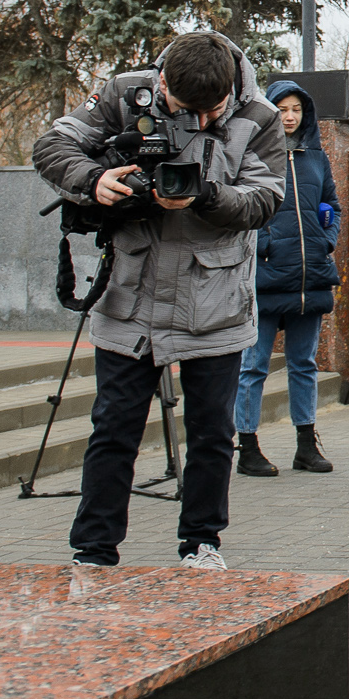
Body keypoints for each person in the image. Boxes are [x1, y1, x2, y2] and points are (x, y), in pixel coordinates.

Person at [32, 32, 286, 570]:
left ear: (228, 93)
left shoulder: (259, 117)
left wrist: (208, 196)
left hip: (215, 299)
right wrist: (93, 179)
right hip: (131, 292)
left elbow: (265, 199)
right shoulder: (125, 93)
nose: (194, 120)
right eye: (180, 108)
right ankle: (94, 550)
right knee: (114, 428)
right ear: (162, 79)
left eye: (208, 112)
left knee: (212, 434)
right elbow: (52, 145)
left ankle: (201, 543)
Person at [233, 80, 339, 477]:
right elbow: (242, 206)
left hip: (308, 279)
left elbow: (333, 204)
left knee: (304, 363)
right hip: (264, 279)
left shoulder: (316, 157)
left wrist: (326, 239)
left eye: (296, 109)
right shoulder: (254, 154)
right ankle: (247, 445)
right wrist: (264, 243)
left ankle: (306, 444)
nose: (290, 116)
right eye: (282, 109)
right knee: (254, 365)